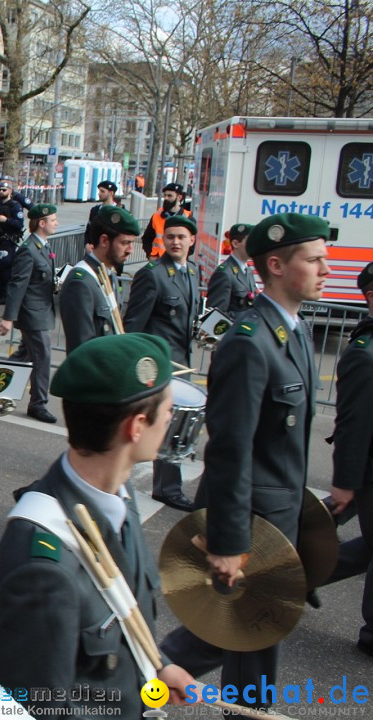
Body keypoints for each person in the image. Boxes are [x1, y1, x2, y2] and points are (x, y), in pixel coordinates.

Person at [159, 213, 331, 707]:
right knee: (225, 637)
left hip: (277, 522)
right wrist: (229, 540)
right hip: (251, 527)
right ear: (275, 265)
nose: (327, 268)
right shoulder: (250, 342)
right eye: (314, 259)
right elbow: (231, 451)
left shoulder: (293, 333)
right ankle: (133, 682)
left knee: (252, 641)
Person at [0, 333, 195, 717]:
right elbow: (39, 708)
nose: (170, 418)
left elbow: (120, 609)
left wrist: (160, 665)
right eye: (167, 410)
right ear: (135, 428)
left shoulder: (118, 493)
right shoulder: (40, 567)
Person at [123, 214, 201, 511]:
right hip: (159, 365)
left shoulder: (191, 272)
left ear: (192, 240)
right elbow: (135, 324)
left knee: (175, 427)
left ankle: (167, 485)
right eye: (170, 237)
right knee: (157, 427)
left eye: (181, 237)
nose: (176, 242)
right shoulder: (153, 273)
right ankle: (166, 487)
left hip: (183, 363)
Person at [322, 262, 373, 657]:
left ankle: (295, 571)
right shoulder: (365, 353)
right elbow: (354, 424)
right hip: (366, 470)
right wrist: (345, 481)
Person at [0, 203, 59, 423]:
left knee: (24, 355)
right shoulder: (29, 249)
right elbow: (17, 285)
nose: (56, 223)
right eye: (53, 220)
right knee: (43, 356)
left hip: (42, 310)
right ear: (41, 223)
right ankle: (38, 404)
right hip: (32, 314)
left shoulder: (42, 247)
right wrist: (9, 318)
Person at [59, 208, 138, 353]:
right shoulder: (80, 283)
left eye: (132, 243)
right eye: (125, 243)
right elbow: (82, 349)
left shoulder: (109, 275)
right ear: (104, 240)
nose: (130, 250)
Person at [0, 179, 32, 301]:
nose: (1, 192)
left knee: (6, 267)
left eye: (4, 190)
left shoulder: (15, 206)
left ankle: (5, 294)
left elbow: (19, 224)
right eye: (0, 190)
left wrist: (5, 220)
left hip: (9, 240)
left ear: (10, 191)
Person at [206, 222, 257, 314]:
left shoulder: (248, 270)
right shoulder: (224, 273)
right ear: (235, 243)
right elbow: (215, 315)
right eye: (250, 241)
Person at [141, 182, 191, 259]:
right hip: (158, 260)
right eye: (165, 195)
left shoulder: (188, 217)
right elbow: (146, 239)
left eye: (169, 196)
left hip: (177, 261)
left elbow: (191, 244)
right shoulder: (157, 215)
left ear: (179, 197)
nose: (166, 198)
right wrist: (150, 255)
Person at [84, 180, 121, 247]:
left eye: (102, 191)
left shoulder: (120, 211)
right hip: (94, 249)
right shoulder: (95, 210)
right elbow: (89, 229)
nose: (99, 193)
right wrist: (87, 244)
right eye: (99, 191)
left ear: (111, 193)